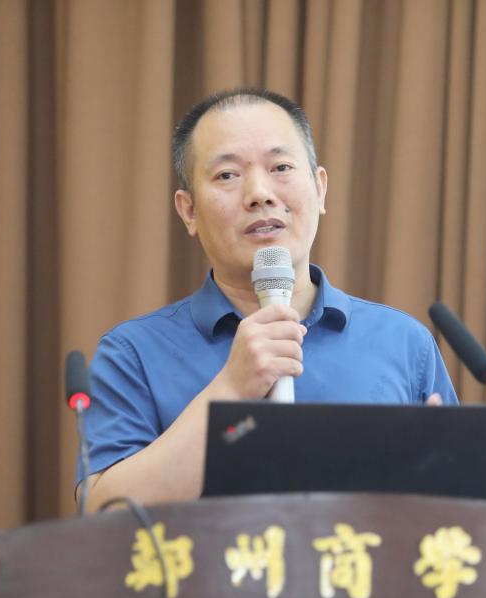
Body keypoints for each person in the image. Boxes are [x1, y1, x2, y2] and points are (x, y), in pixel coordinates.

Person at [80, 88, 458, 508]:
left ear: (320, 189)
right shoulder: (134, 353)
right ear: (189, 211)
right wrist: (231, 387)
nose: (260, 193)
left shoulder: (403, 343)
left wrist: (435, 478)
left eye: (281, 167)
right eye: (227, 175)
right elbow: (104, 515)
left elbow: (463, 520)